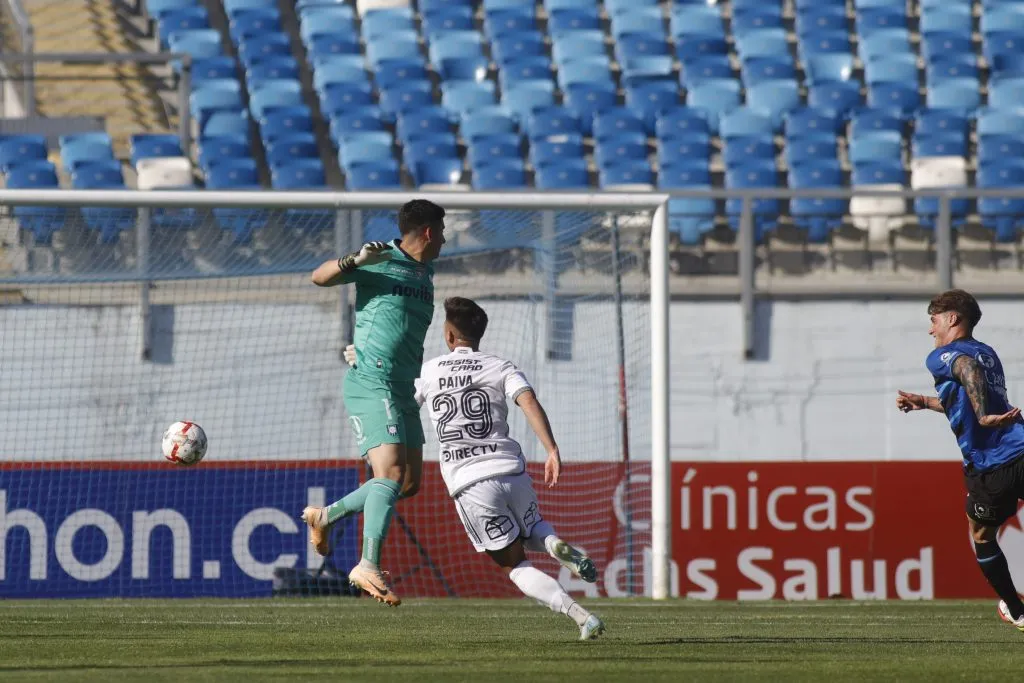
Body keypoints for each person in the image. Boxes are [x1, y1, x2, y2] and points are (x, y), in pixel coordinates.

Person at [346, 296, 605, 640]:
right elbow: (528, 400)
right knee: (533, 529)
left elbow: (394, 399)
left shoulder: (430, 371)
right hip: (510, 469)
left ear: (449, 336)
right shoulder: (501, 366)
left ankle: (581, 617)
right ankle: (554, 543)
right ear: (479, 334)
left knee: (514, 564)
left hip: (469, 481)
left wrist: (362, 367)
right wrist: (552, 449)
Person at [302, 199, 447, 607]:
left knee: (410, 483)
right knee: (391, 473)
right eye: (443, 232)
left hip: (402, 386)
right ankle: (368, 565)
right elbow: (319, 277)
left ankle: (325, 516)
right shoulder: (379, 256)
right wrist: (353, 260)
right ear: (430, 232)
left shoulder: (426, 271)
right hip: (372, 382)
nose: (446, 241)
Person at [896, 289, 1024, 631]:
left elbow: (967, 376)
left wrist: (983, 417)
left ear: (953, 319)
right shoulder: (988, 354)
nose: (931, 330)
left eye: (934, 321)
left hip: (991, 465)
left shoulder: (943, 355)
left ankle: (1016, 609)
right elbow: (968, 394)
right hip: (1021, 444)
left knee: (982, 534)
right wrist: (925, 401)